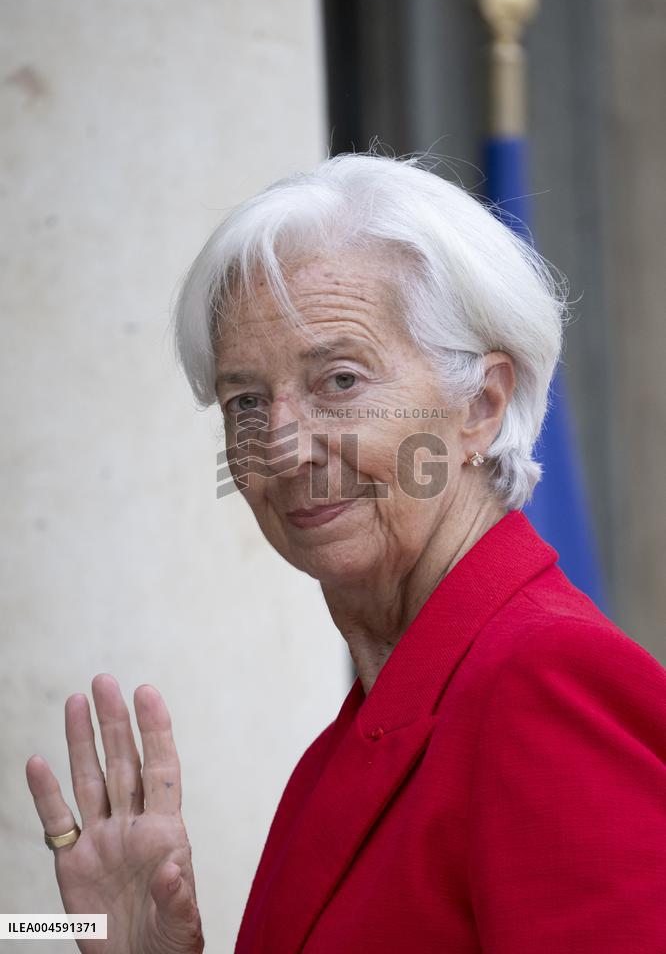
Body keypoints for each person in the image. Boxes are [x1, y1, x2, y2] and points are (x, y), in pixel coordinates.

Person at [26, 154, 666, 953]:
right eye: (247, 402)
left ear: (481, 404)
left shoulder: (542, 680)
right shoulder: (349, 744)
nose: (285, 447)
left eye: (339, 380)